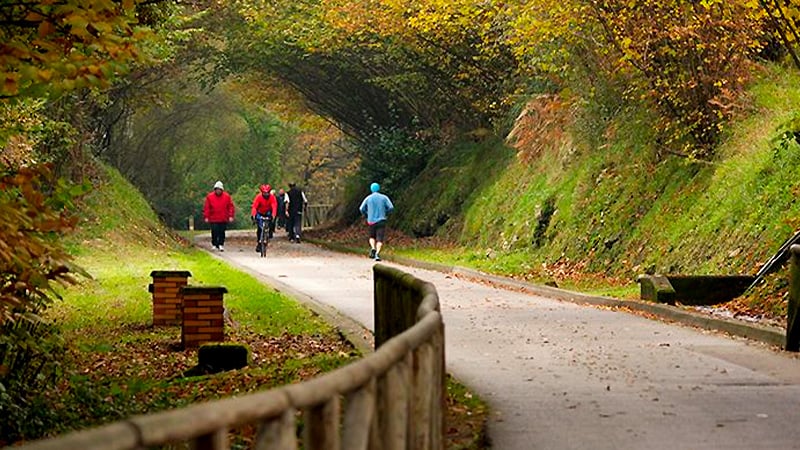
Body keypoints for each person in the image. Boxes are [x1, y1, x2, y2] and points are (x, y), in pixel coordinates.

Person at [359, 182, 394, 261]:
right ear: (379, 188)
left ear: (371, 189)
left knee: (372, 236)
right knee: (380, 238)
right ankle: (377, 254)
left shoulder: (368, 198)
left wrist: (366, 214)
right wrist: (386, 212)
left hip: (371, 221)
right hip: (382, 220)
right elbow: (391, 207)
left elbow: (361, 208)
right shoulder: (384, 197)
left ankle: (373, 248)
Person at [203, 180, 235, 251]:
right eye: (217, 189)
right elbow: (207, 207)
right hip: (213, 218)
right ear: (215, 189)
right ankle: (214, 244)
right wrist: (206, 216)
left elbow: (230, 207)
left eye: (219, 189)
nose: (218, 191)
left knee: (222, 231)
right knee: (214, 231)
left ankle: (221, 244)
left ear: (222, 190)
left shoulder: (227, 197)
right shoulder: (210, 197)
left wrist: (230, 216)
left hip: (223, 218)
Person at [250, 184, 277, 252]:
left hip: (268, 212)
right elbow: (254, 207)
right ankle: (259, 241)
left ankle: (268, 234)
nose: (266, 194)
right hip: (260, 212)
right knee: (260, 227)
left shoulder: (272, 197)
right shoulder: (258, 197)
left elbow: (274, 206)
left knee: (270, 221)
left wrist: (273, 215)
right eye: (264, 193)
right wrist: (253, 215)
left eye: (267, 193)